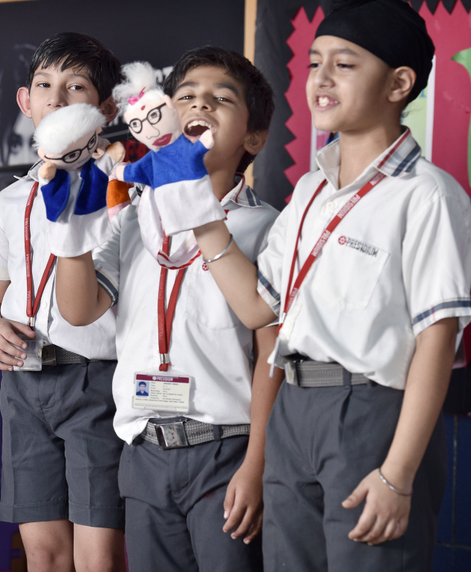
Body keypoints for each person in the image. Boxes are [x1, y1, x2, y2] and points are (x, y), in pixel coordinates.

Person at [157, 0, 471, 570]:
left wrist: (399, 474)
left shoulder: (426, 195)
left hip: (370, 412)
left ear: (399, 84)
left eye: (345, 64)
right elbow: (258, 310)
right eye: (314, 62)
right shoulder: (307, 192)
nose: (321, 80)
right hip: (290, 413)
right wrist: (198, 209)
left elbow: (438, 338)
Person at [52, 46, 282, 572]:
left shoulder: (268, 227)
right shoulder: (134, 219)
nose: (199, 103)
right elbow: (79, 309)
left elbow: (272, 351)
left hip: (227, 451)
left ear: (254, 137)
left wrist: (256, 464)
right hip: (144, 450)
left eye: (221, 98)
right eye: (185, 96)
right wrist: (73, 228)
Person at [0, 32, 127, 572]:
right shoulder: (8, 199)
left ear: (105, 109)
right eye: (45, 85)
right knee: (41, 552)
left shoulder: (122, 196)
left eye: (75, 86)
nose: (56, 99)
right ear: (25, 101)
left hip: (96, 381)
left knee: (99, 556)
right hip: (22, 384)